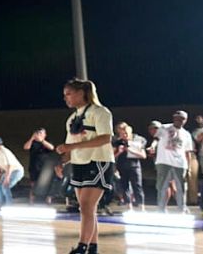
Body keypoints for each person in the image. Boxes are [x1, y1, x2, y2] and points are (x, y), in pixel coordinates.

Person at [55, 79, 114, 254]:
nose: (66, 98)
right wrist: (63, 161)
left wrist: (72, 147)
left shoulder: (100, 112)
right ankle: (92, 246)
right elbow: (70, 146)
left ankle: (82, 246)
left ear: (81, 93)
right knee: (86, 208)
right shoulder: (72, 118)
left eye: (69, 94)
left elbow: (105, 138)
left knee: (87, 205)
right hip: (79, 164)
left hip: (98, 161)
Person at [154, 110, 193, 213]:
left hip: (180, 163)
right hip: (164, 161)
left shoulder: (186, 134)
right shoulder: (164, 128)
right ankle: (161, 209)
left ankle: (181, 209)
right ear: (174, 118)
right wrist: (153, 146)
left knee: (181, 187)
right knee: (162, 186)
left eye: (182, 119)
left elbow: (188, 151)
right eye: (177, 118)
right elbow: (156, 138)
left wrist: (189, 167)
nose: (179, 120)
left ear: (185, 120)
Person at [112, 122, 147, 211]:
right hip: (122, 166)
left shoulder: (137, 141)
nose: (124, 136)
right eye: (122, 134)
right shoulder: (118, 142)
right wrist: (119, 152)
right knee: (124, 186)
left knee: (137, 186)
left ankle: (141, 206)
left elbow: (143, 156)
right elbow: (112, 156)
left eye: (126, 134)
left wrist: (130, 150)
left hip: (135, 166)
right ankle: (129, 206)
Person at [23, 128, 57, 204]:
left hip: (45, 167)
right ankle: (32, 201)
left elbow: (52, 147)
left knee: (47, 184)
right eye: (38, 133)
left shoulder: (47, 141)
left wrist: (42, 140)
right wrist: (32, 138)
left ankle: (48, 201)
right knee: (33, 184)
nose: (39, 135)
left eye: (41, 133)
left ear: (45, 135)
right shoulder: (33, 142)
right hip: (34, 166)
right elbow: (26, 147)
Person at [0, 136, 25, 206]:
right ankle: (1, 204)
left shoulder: (4, 151)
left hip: (16, 171)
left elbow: (10, 165)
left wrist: (7, 177)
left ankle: (9, 205)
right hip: (7, 171)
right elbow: (1, 167)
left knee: (5, 186)